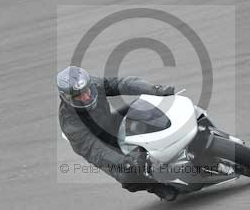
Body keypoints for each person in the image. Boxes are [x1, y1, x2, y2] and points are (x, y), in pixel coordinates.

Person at [57, 66, 180, 201]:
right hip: (98, 145)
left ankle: (177, 134)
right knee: (128, 174)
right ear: (68, 98)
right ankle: (155, 187)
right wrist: (123, 162)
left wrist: (155, 90)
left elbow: (122, 84)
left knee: (142, 107)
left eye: (86, 91)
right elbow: (95, 151)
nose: (86, 97)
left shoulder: (94, 84)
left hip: (109, 124)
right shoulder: (70, 124)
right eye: (79, 96)